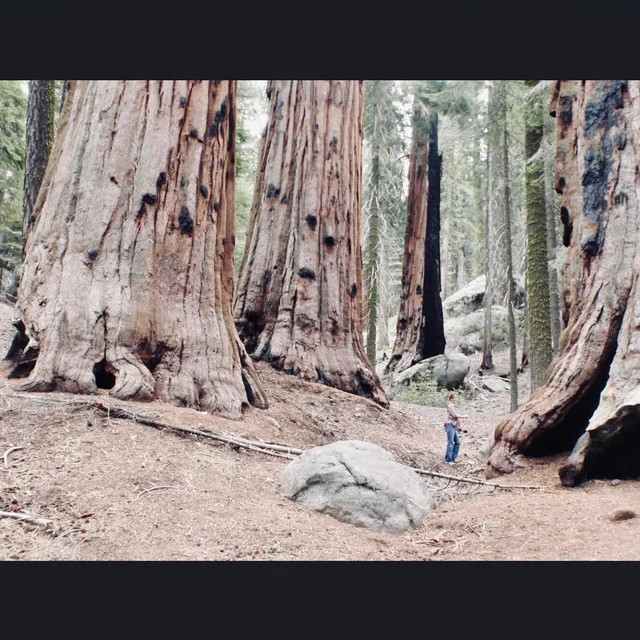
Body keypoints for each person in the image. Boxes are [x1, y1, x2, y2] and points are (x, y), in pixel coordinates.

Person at [443, 391, 468, 465]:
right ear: (450, 399)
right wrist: (464, 416)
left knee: (457, 442)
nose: (455, 399)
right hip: (449, 425)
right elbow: (455, 415)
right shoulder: (450, 406)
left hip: (452, 426)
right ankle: (448, 460)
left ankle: (453, 458)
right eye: (453, 398)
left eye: (455, 398)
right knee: (450, 442)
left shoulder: (453, 406)